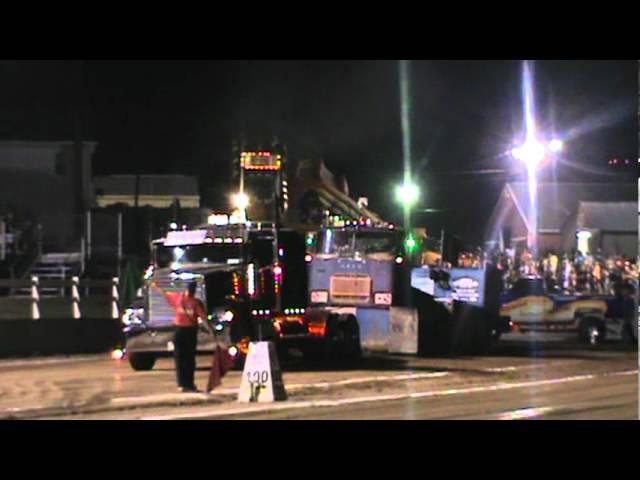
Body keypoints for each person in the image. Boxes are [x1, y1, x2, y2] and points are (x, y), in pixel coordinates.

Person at [151, 281, 206, 392]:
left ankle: (186, 384)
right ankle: (185, 384)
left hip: (185, 331)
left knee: (185, 358)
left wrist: (156, 286)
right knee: (184, 358)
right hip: (185, 331)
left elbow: (164, 293)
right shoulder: (190, 301)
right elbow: (204, 319)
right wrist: (156, 286)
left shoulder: (185, 300)